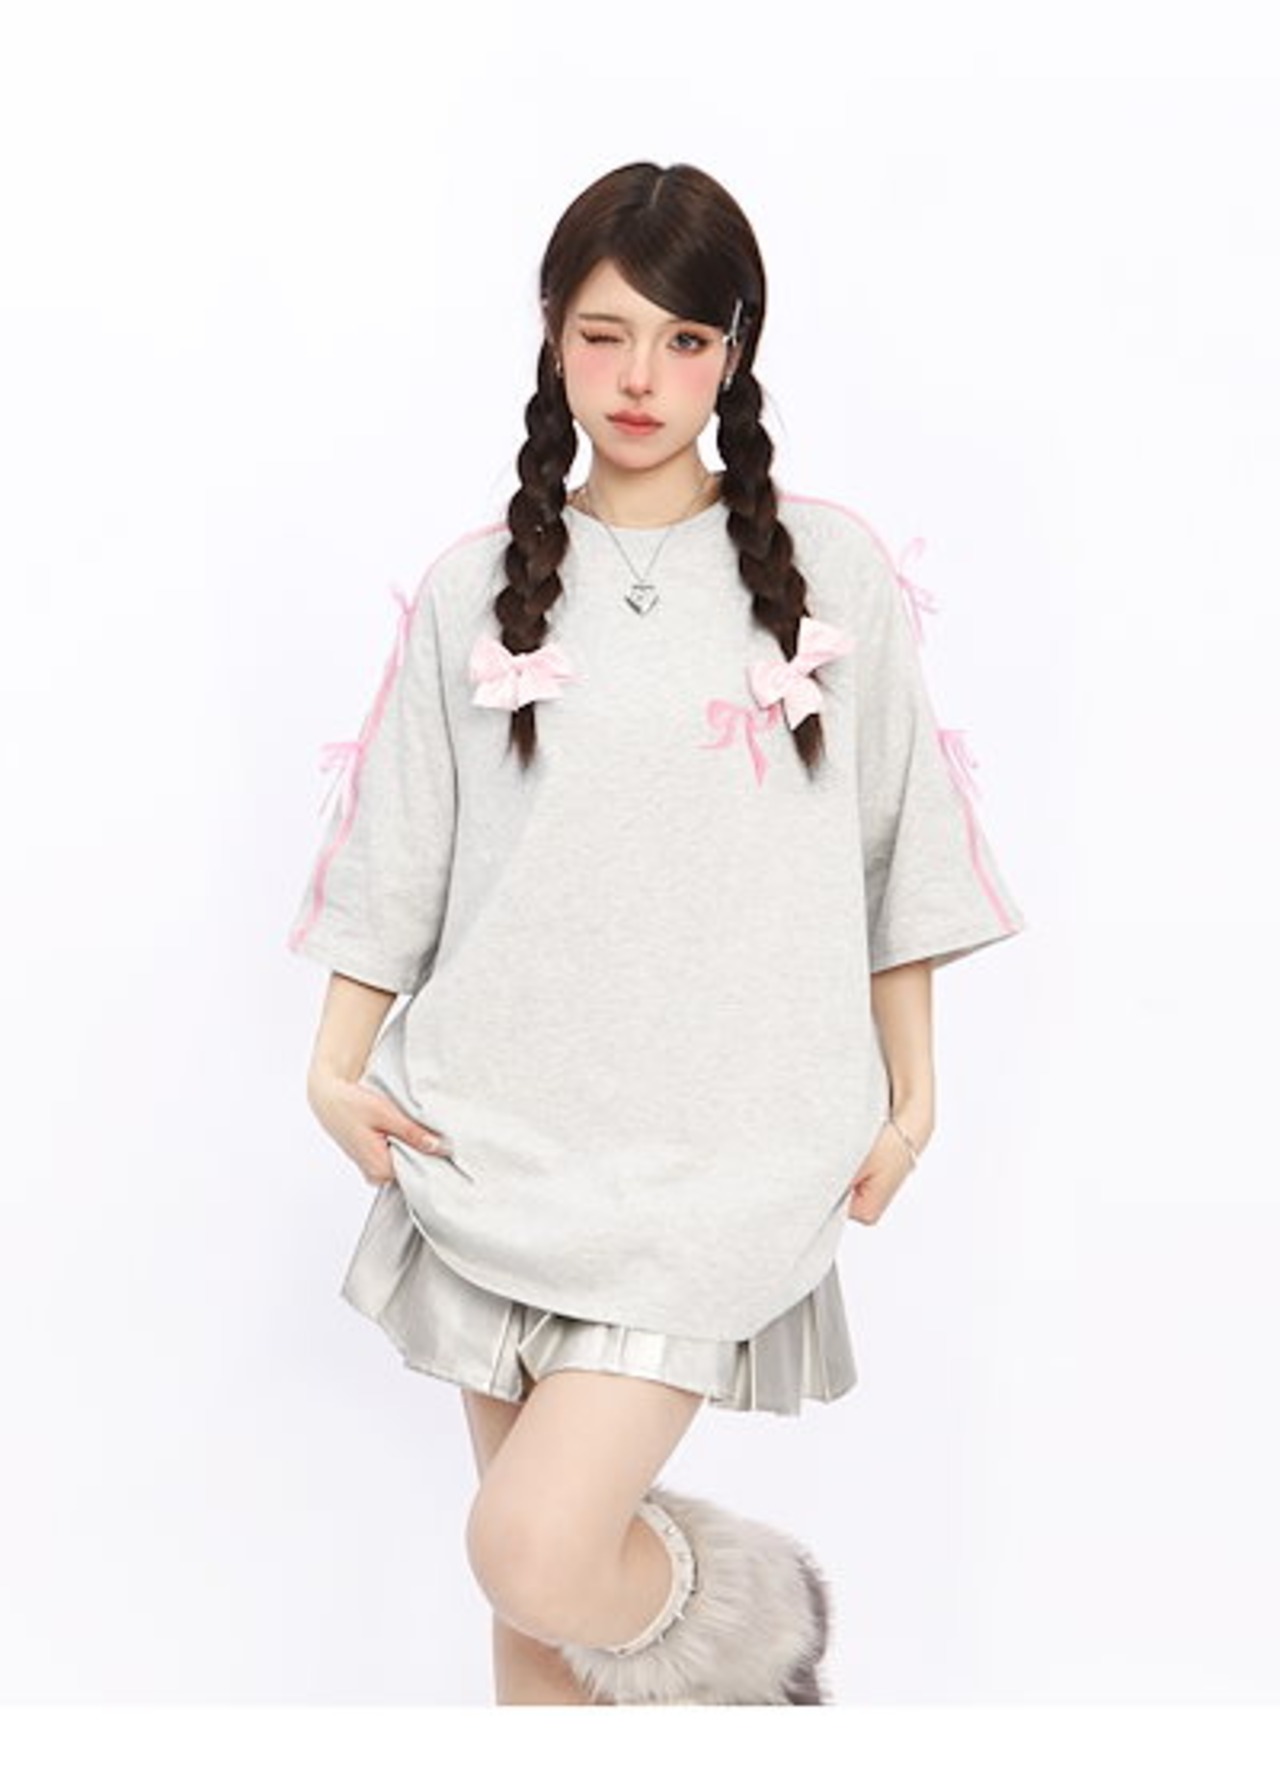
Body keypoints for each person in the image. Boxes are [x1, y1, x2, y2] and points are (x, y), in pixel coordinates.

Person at [285, 160, 1026, 1705]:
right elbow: (402, 847)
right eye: (606, 333)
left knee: (540, 1547)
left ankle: (751, 1618)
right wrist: (333, 1065)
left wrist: (915, 1095)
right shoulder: (474, 588)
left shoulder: (829, 573)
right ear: (553, 335)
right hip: (489, 1132)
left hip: (721, 1151)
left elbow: (897, 835)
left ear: (734, 353)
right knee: (538, 1619)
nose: (640, 378)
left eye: (685, 340)